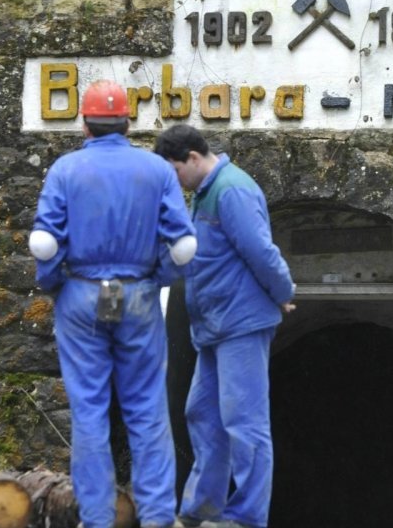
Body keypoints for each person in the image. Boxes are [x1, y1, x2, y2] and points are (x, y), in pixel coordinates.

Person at [29, 80, 197, 528]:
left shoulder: (65, 170)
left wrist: (54, 285)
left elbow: (46, 242)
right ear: (127, 122)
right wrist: (156, 276)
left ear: (85, 124)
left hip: (81, 294)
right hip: (138, 294)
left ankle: (97, 518)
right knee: (147, 408)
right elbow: (182, 245)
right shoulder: (156, 171)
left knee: (88, 410)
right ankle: (159, 516)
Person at [155, 125, 295, 528]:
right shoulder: (204, 192)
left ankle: (247, 517)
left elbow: (260, 250)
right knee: (201, 413)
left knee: (244, 422)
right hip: (214, 326)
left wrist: (282, 290)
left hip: (240, 323)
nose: (175, 182)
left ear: (194, 159)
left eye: (175, 171)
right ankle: (202, 509)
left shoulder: (231, 189)